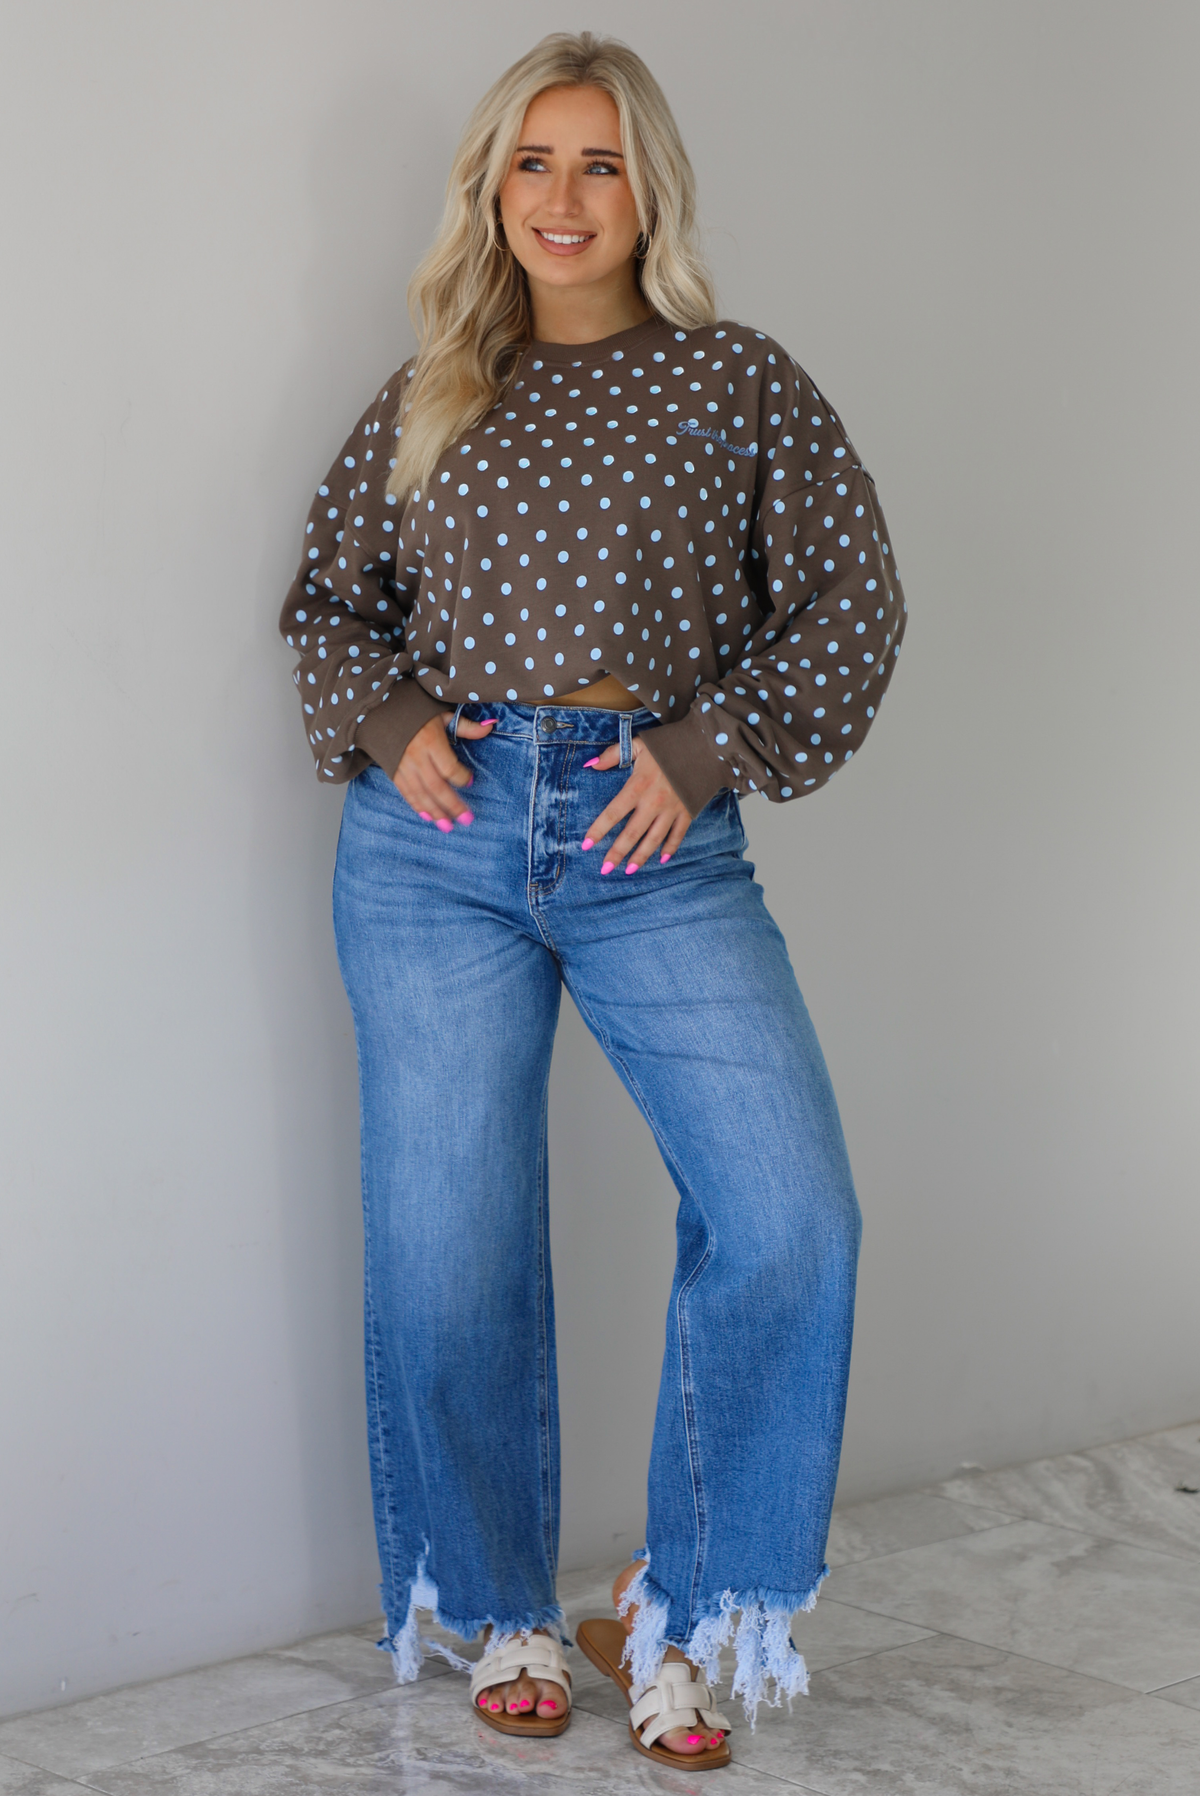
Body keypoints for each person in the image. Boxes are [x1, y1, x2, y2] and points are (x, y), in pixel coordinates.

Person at [280, 30, 905, 1771]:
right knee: (448, 1248)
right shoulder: (428, 395)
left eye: (602, 163)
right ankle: (497, 1609)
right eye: (535, 164)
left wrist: (705, 753)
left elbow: (853, 602)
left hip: (652, 848)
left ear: (652, 191)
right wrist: (399, 726)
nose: (566, 199)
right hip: (433, 858)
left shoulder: (738, 382)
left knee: (791, 1214)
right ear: (492, 189)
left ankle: (687, 1611)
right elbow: (329, 611)